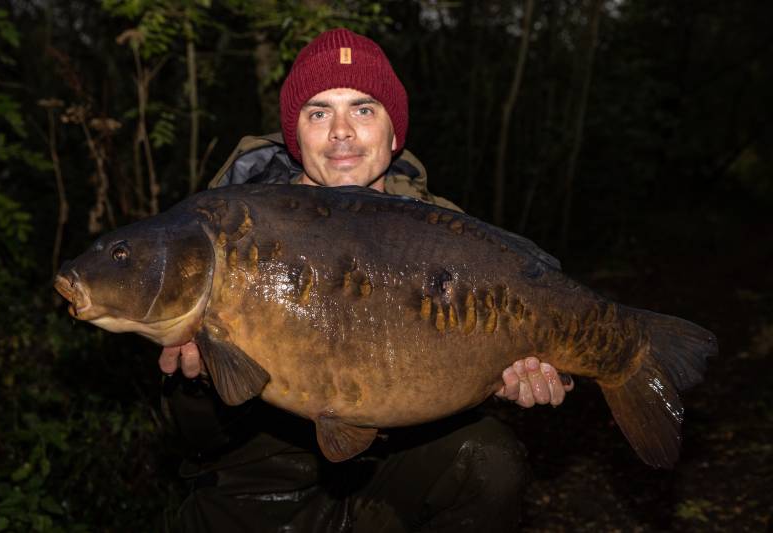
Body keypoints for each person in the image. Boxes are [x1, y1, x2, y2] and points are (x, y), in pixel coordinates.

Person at [159, 28, 573, 532]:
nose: (340, 131)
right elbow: (193, 437)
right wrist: (200, 380)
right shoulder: (221, 236)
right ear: (296, 136)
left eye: (363, 108)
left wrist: (521, 375)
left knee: (487, 460)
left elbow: (482, 362)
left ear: (394, 132)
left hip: (396, 462)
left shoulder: (443, 232)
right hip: (255, 481)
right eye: (318, 112)